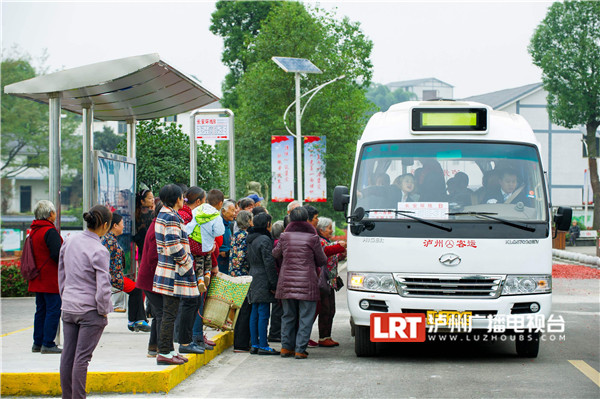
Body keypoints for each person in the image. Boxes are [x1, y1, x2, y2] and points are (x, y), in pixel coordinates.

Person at [58, 205, 113, 399]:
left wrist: (65, 296)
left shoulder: (70, 240)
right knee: (82, 359)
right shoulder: (100, 250)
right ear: (105, 225)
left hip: (69, 306)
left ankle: (68, 396)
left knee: (68, 355)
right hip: (89, 311)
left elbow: (62, 273)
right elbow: (103, 286)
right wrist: (104, 310)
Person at [272, 207, 327, 359]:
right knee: (306, 316)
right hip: (307, 282)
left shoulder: (284, 237)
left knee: (288, 315)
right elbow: (322, 260)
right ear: (306, 219)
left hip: (286, 281)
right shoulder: (312, 238)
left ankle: (285, 348)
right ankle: (300, 349)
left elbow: (275, 253)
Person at [153, 184, 199, 365]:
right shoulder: (171, 217)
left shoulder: (165, 214)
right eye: (182, 197)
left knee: (169, 313)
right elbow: (173, 245)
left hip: (168, 271)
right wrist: (188, 262)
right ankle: (164, 351)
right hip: (173, 273)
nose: (184, 200)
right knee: (169, 314)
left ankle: (169, 350)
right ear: (177, 198)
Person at [101, 212, 150, 333]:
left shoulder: (109, 239)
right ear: (115, 226)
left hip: (114, 275)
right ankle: (136, 320)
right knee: (136, 289)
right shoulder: (109, 241)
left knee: (136, 289)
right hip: (113, 276)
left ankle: (135, 320)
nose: (123, 226)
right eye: (122, 224)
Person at [29, 200, 63, 354]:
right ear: (50, 214)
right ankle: (48, 343)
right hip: (50, 278)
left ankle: (37, 342)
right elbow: (58, 254)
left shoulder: (34, 231)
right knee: (53, 310)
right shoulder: (50, 231)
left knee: (41, 310)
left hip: (37, 277)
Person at [247, 212, 279, 355]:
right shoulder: (265, 240)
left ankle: (254, 344)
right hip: (263, 277)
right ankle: (263, 345)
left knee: (254, 312)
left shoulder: (250, 239)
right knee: (263, 313)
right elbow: (269, 264)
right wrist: (274, 284)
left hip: (253, 275)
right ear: (267, 224)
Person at [136, 202, 165, 357]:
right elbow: (154, 257)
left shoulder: (156, 226)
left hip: (150, 278)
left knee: (158, 313)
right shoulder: (156, 229)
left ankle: (154, 348)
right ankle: (163, 349)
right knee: (162, 313)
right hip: (152, 278)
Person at [315, 217, 346, 347]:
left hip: (330, 281)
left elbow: (333, 256)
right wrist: (340, 247)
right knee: (325, 310)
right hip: (324, 281)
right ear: (321, 230)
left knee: (331, 309)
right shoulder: (320, 242)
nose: (331, 231)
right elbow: (327, 252)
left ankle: (327, 336)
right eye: (329, 228)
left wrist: (341, 254)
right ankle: (323, 337)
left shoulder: (326, 241)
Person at [229, 210, 253, 352]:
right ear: (248, 221)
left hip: (234, 275)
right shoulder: (246, 237)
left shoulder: (235, 235)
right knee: (245, 310)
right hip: (244, 276)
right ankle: (242, 343)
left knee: (239, 309)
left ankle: (239, 341)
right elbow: (246, 257)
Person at [268, 220, 285, 343]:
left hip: (278, 276)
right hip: (280, 277)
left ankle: (275, 332)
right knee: (279, 307)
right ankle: (275, 332)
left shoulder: (273, 243)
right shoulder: (278, 244)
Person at [133, 189, 155, 259]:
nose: (152, 200)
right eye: (149, 198)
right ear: (142, 201)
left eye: (153, 198)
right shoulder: (136, 215)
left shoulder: (151, 214)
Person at [217, 200, 236, 274]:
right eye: (232, 211)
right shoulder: (218, 224)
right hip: (221, 261)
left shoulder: (230, 225)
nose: (234, 214)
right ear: (223, 211)